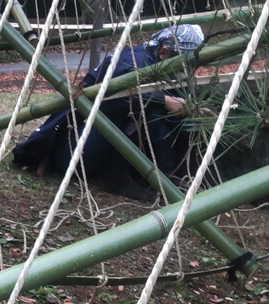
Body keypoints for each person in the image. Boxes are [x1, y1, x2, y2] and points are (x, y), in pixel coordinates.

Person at [12, 25, 204, 195]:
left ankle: (162, 174)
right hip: (77, 152)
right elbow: (112, 103)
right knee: (147, 110)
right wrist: (163, 100)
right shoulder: (134, 62)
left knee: (155, 108)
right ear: (163, 52)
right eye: (183, 61)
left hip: (86, 145)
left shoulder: (148, 58)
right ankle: (114, 177)